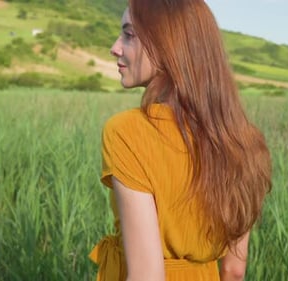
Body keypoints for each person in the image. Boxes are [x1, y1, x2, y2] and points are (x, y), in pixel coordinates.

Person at [89, 1, 272, 281]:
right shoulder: (244, 141)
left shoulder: (127, 132)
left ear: (167, 44)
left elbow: (147, 276)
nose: (115, 47)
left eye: (129, 34)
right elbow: (234, 272)